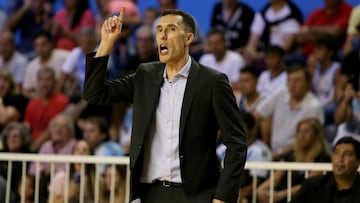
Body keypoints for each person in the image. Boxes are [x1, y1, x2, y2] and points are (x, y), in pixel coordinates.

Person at [83, 8, 247, 203]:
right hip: (150, 193)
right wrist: (106, 43)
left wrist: (223, 197)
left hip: (196, 195)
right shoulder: (146, 75)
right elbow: (94, 94)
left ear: (188, 38)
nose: (162, 35)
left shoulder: (212, 82)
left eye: (170, 29)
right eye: (159, 30)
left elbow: (236, 143)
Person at [257, 118, 331, 203]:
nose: (302, 135)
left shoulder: (322, 158)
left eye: (307, 131)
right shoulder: (291, 155)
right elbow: (276, 177)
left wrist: (280, 195)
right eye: (299, 131)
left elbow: (308, 185)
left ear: (316, 135)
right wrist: (261, 189)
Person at [292, 136, 360, 203]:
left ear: (358, 162)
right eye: (336, 153)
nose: (340, 159)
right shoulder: (312, 186)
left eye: (347, 154)